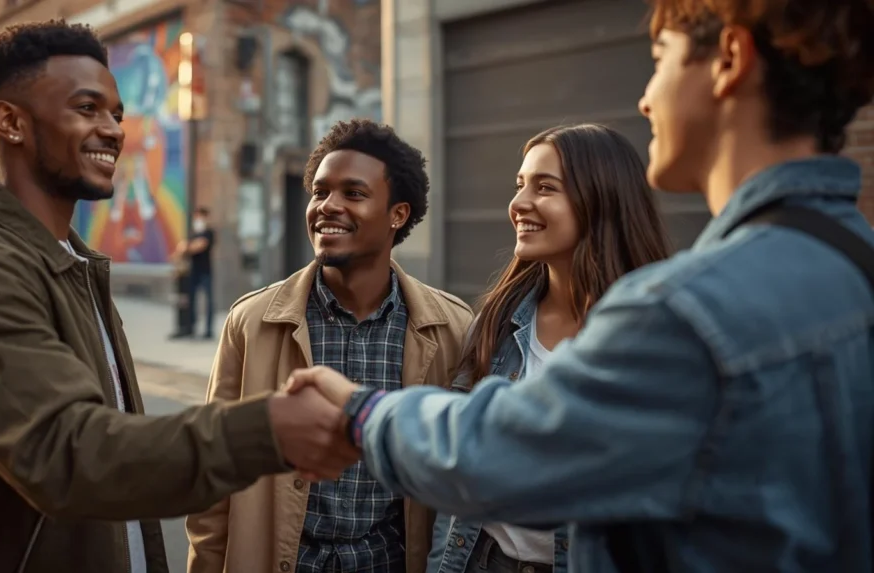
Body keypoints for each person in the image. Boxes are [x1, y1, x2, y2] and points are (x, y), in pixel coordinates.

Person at [285, 0, 874, 570]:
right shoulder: (850, 265)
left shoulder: (685, 313)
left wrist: (360, 410)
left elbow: (496, 455)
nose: (645, 100)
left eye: (660, 58)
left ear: (729, 59)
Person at [0, 20, 353, 573]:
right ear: (10, 122)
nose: (113, 131)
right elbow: (71, 455)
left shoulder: (73, 264)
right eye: (87, 108)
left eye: (116, 115)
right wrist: (269, 428)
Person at [185, 118, 473, 573]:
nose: (328, 206)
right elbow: (214, 483)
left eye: (353, 194)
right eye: (320, 192)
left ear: (398, 214)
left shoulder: (453, 328)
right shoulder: (252, 321)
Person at [427, 124, 670, 573]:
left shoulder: (652, 336)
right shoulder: (496, 321)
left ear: (600, 199)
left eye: (545, 188)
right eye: (520, 186)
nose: (519, 204)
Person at [171, 207, 215, 339]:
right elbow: (179, 251)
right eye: (197, 217)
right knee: (191, 301)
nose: (198, 220)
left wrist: (187, 248)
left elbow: (199, 246)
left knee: (208, 301)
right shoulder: (193, 234)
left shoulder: (209, 233)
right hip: (193, 272)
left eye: (201, 216)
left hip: (205, 271)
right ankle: (191, 328)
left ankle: (208, 331)